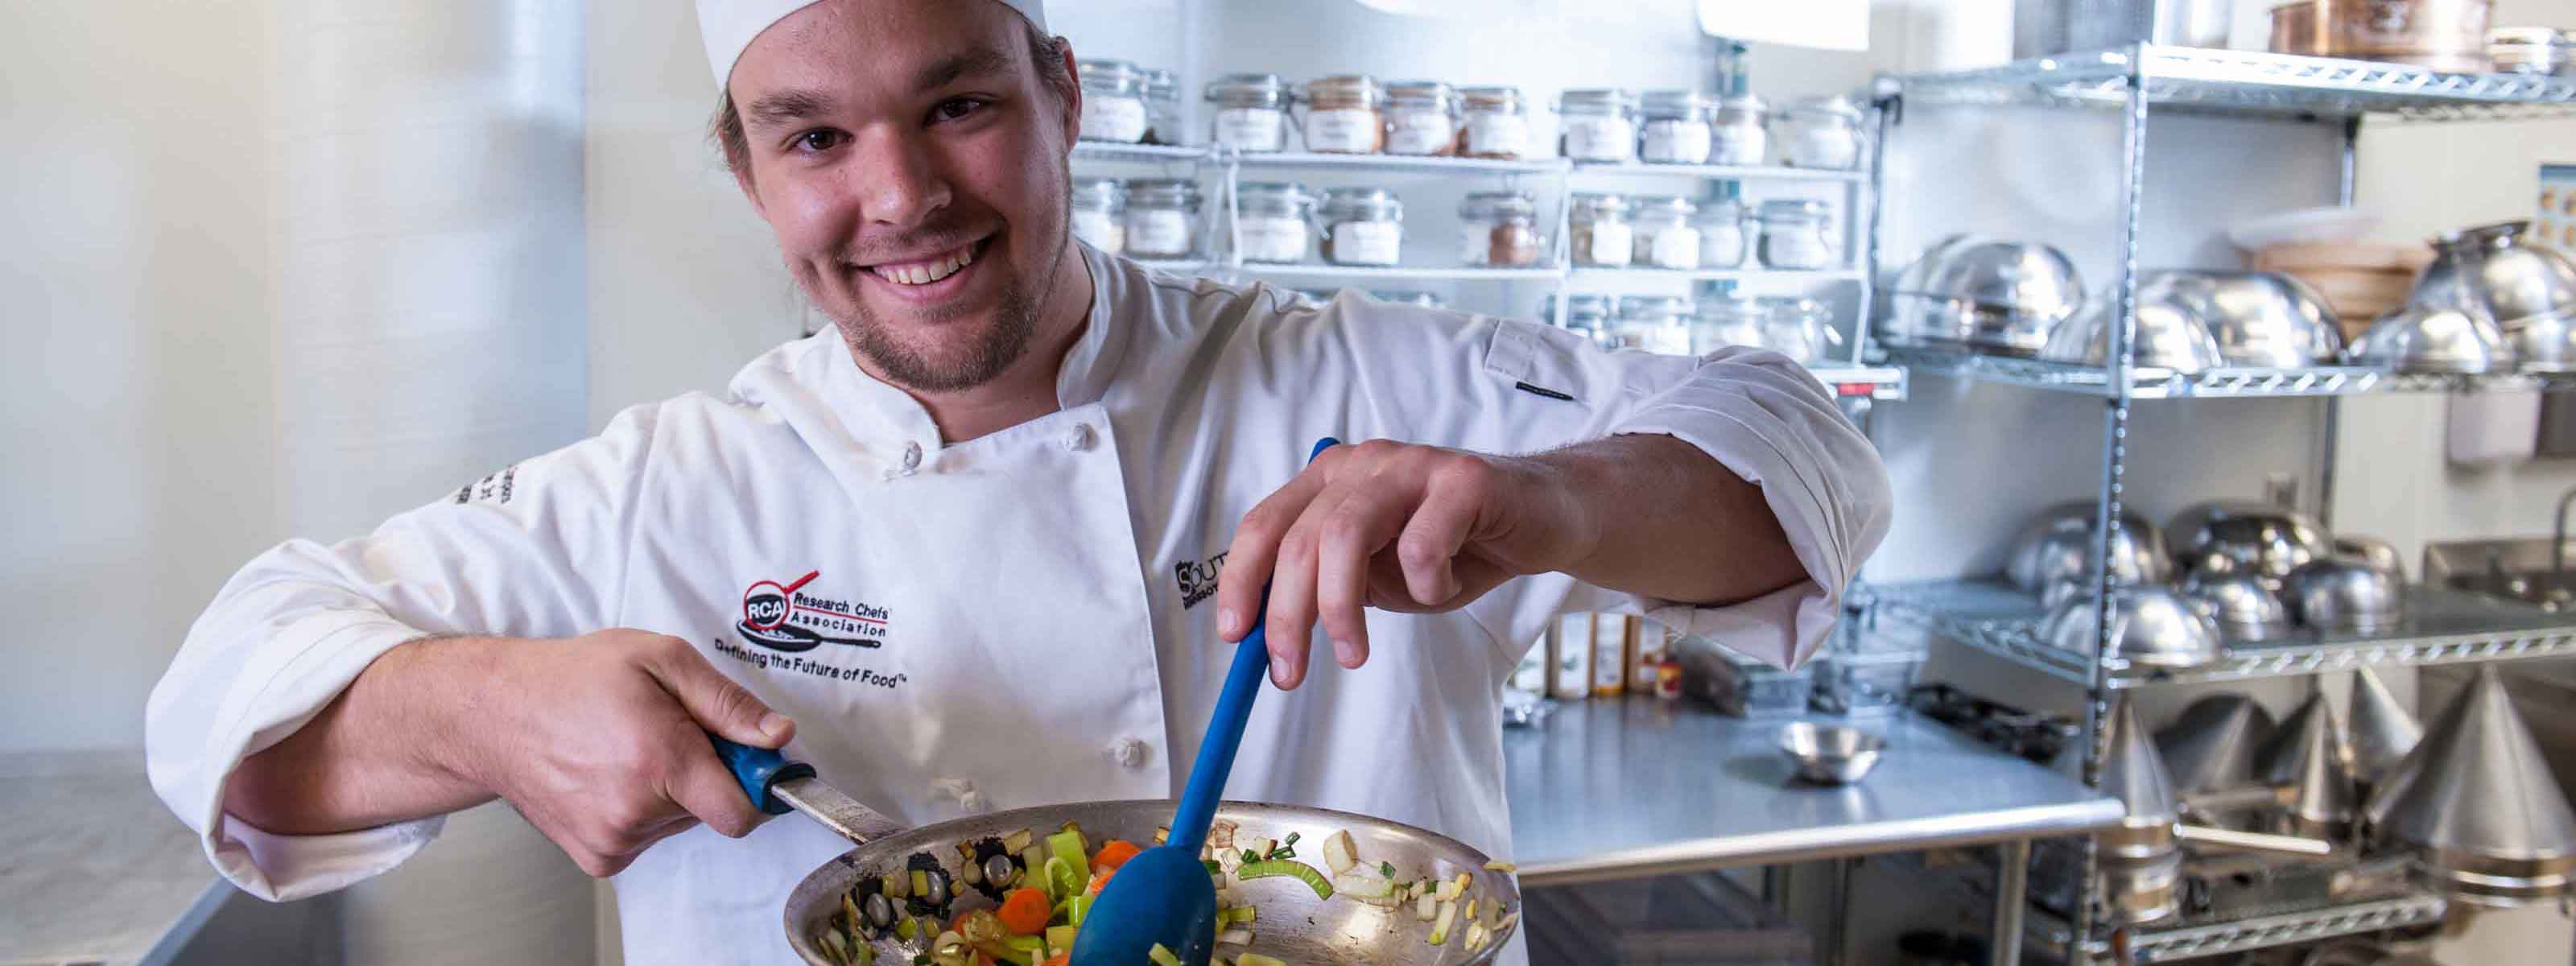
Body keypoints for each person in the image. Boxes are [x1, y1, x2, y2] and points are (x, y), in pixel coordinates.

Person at [144, 1, 1892, 962]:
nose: (900, 196)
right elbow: (231, 683)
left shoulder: (1348, 375)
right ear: (749, 174)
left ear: (1061, 94)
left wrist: (1538, 507)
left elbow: (1798, 453)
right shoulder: (661, 495)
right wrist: (491, 706)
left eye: (959, 103)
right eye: (816, 135)